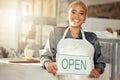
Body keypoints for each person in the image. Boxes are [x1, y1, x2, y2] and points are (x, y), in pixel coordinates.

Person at [40, 0, 106, 80]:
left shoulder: (92, 37)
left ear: (85, 18)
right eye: (73, 12)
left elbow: (100, 62)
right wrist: (48, 64)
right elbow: (45, 56)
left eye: (81, 13)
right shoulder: (56, 33)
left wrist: (97, 71)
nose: (77, 16)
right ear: (68, 15)